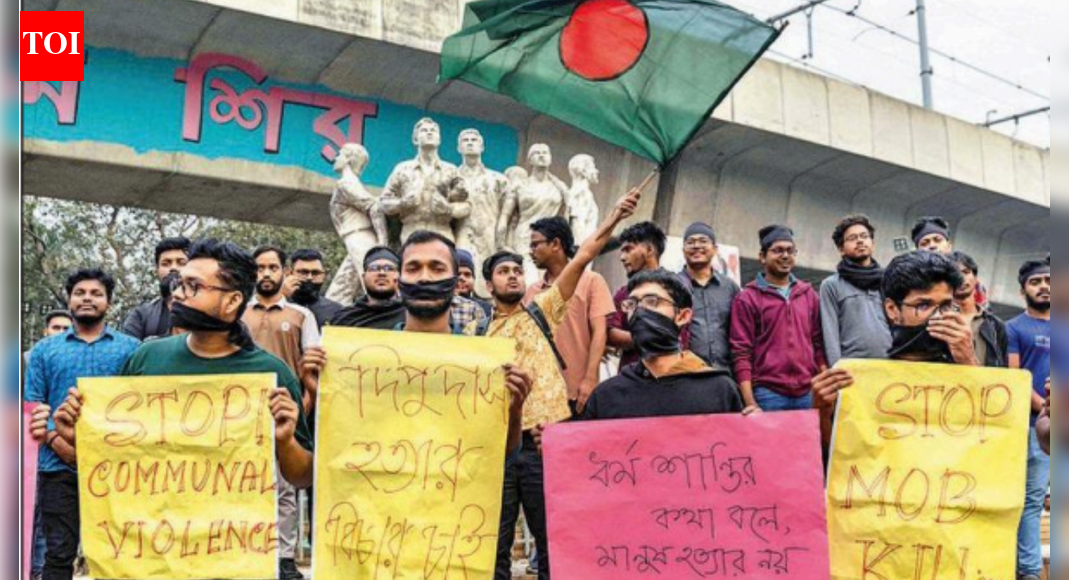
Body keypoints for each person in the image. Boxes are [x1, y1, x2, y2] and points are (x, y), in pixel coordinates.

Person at [39, 241, 316, 578]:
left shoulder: (272, 375)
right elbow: (120, 463)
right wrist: (77, 438)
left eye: (193, 286)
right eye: (180, 283)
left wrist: (285, 441)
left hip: (231, 554)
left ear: (232, 301)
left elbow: (302, 475)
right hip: (152, 554)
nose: (179, 293)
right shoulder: (146, 359)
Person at [475, 189, 640, 580]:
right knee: (493, 545)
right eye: (504, 271)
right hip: (497, 448)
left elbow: (584, 255)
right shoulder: (474, 333)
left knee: (552, 541)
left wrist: (615, 215)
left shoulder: (542, 309)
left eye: (518, 269)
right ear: (487, 285)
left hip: (540, 443)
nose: (515, 274)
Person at [25, 269, 140, 580]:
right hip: (56, 468)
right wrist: (59, 443)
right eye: (80, 293)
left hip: (116, 469)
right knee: (58, 553)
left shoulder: (131, 349)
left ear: (109, 302)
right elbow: (34, 405)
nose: (87, 298)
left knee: (118, 552)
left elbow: (139, 406)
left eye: (96, 293)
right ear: (69, 298)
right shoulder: (44, 351)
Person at [812, 251, 979, 444]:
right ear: (892, 309)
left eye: (946, 305)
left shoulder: (964, 372)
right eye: (924, 305)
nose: (939, 316)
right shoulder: (862, 381)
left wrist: (968, 360)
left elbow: (990, 435)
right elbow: (838, 456)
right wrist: (822, 411)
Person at [244, 245, 320, 580]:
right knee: (247, 485)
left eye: (272, 267)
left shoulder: (302, 315)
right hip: (242, 417)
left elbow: (313, 367)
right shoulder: (238, 313)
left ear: (284, 272)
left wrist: (302, 410)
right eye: (259, 268)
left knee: (287, 489)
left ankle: (286, 558)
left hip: (285, 414)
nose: (266, 274)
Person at [579, 269, 744, 420]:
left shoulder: (720, 390)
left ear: (682, 316)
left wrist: (753, 425)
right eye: (632, 304)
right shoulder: (606, 396)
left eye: (652, 301)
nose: (639, 311)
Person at [730, 225, 826, 413]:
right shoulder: (747, 298)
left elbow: (817, 343)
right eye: (778, 250)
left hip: (807, 392)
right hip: (767, 394)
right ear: (762, 257)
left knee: (805, 443)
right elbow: (741, 353)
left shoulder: (808, 295)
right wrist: (750, 402)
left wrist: (823, 383)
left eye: (790, 251)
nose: (785, 256)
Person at [526, 216, 615, 413]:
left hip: (576, 393)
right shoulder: (531, 291)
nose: (531, 252)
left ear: (556, 244)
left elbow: (600, 333)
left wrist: (590, 378)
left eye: (535, 245)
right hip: (539, 396)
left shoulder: (592, 281)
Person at [1006, 259, 1051, 580]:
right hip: (1030, 426)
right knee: (1030, 502)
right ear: (1023, 290)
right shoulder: (1013, 328)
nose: (1044, 286)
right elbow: (1015, 377)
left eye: (1049, 280)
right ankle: (1030, 571)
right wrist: (1048, 407)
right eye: (1036, 281)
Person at [24, 309, 72, 580]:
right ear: (45, 331)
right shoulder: (27, 361)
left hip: (54, 460)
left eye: (67, 328)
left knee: (47, 530)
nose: (61, 333)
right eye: (56, 328)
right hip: (28, 457)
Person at [820, 215, 891, 366]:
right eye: (852, 238)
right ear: (841, 249)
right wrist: (837, 371)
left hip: (889, 369)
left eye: (864, 236)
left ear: (873, 243)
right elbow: (830, 334)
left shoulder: (889, 280)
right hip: (852, 370)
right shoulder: (831, 285)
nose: (860, 241)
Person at [678, 222, 740, 372]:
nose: (697, 246)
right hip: (684, 374)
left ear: (715, 249)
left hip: (724, 374)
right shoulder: (671, 285)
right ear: (683, 250)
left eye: (703, 241)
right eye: (690, 242)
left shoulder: (730, 288)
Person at [608, 221, 669, 367]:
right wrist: (648, 340)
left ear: (649, 250)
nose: (622, 257)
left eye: (628, 249)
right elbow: (609, 333)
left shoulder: (676, 290)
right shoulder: (623, 293)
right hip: (630, 378)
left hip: (669, 379)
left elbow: (681, 337)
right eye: (622, 251)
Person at [122, 236, 190, 340]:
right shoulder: (142, 315)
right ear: (157, 270)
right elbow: (130, 352)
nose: (173, 268)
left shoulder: (207, 309)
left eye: (181, 263)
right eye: (165, 264)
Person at [948, 251, 1008, 368]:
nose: (961, 278)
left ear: (975, 278)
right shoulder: (937, 320)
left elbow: (1002, 368)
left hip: (983, 385)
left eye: (965, 272)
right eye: (953, 273)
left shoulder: (995, 325)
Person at [329, 246, 406, 329]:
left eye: (389, 268)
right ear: (363, 277)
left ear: (399, 276)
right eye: (374, 268)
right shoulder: (344, 318)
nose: (382, 273)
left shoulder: (411, 315)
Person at [284, 248, 343, 329]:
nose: (309, 278)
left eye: (315, 273)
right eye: (303, 272)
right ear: (289, 273)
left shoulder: (337, 312)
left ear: (323, 275)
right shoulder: (277, 306)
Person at [457, 249, 493, 317]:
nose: (461, 278)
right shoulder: (438, 306)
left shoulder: (487, 309)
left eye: (467, 274)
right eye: (457, 274)